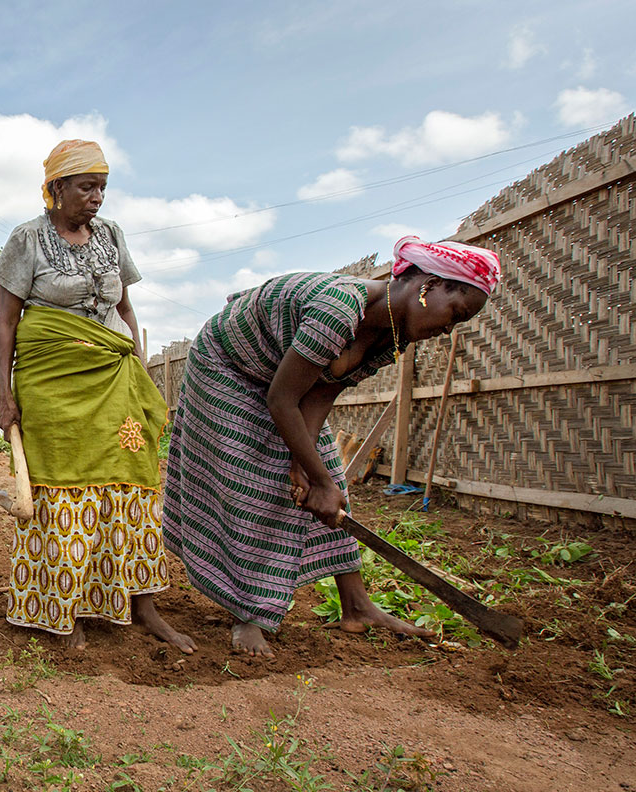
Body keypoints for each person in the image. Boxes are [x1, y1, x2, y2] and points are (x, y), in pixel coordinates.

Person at [163, 236, 501, 658]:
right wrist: (307, 475)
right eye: (456, 314)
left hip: (281, 385)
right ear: (431, 286)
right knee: (256, 484)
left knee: (331, 477)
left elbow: (320, 394)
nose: (449, 329)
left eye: (459, 325)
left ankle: (357, 607)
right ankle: (247, 613)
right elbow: (281, 399)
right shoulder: (338, 308)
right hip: (227, 369)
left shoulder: (393, 336)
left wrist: (312, 471)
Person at [0, 139, 193, 653]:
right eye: (86, 186)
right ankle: (64, 608)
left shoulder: (111, 235)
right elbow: (6, 323)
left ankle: (141, 605)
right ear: (56, 188)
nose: (97, 197)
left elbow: (126, 309)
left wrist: (141, 369)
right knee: (62, 490)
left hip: (114, 372)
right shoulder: (27, 239)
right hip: (52, 382)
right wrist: (4, 394)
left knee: (132, 479)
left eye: (102, 187)